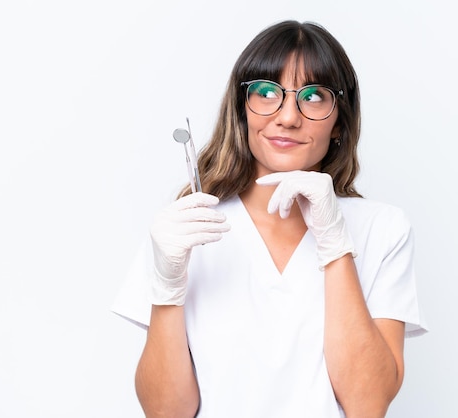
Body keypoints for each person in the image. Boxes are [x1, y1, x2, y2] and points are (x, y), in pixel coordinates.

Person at [112, 19, 427, 418]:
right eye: (266, 92)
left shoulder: (383, 229)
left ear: (339, 121)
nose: (288, 117)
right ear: (242, 109)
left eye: (313, 97)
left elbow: (368, 405)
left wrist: (334, 244)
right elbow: (166, 412)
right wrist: (168, 284)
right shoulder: (187, 229)